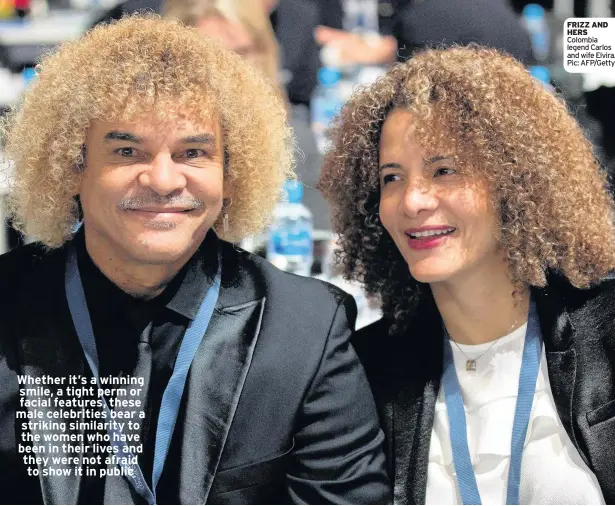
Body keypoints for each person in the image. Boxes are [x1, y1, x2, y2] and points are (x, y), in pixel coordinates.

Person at [0, 16, 389, 504]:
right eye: (127, 150)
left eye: (192, 152)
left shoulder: (304, 331)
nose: (163, 181)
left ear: (231, 173)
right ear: (73, 167)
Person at [319, 46, 615, 504]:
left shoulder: (606, 331)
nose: (413, 201)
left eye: (444, 170)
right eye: (392, 178)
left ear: (515, 180)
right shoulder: (369, 370)